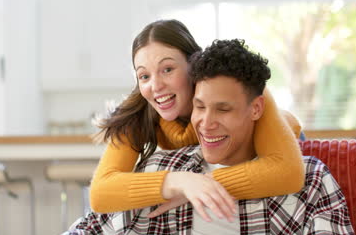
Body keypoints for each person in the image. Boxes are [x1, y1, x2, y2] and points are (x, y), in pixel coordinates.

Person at [54, 39, 355, 235]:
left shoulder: (310, 179)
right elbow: (95, 221)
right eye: (199, 106)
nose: (206, 123)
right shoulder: (162, 166)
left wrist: (206, 185)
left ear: (256, 109)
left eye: (223, 109)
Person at [89, 19, 304, 221]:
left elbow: (288, 172)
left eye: (167, 69)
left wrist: (201, 186)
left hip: (287, 145)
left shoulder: (232, 85)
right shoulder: (139, 114)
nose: (155, 86)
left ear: (193, 65)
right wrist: (179, 182)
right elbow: (101, 192)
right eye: (144, 76)